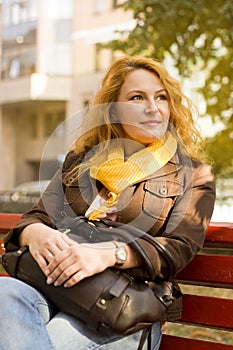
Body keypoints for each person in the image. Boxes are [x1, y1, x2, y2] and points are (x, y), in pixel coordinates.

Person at [0, 55, 215, 350]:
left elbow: (178, 248)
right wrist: (38, 233)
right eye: (137, 97)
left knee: (52, 339)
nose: (153, 108)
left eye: (161, 97)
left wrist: (107, 254)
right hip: (54, 290)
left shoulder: (194, 174)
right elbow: (35, 217)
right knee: (4, 292)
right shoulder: (81, 161)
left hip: (122, 310)